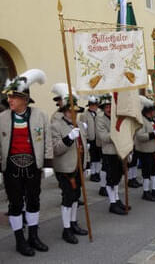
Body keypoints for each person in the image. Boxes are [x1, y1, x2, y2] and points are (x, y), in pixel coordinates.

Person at [0, 69, 52, 256]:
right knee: (15, 204)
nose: (9, 100)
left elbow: (47, 141)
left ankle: (33, 236)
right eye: (9, 97)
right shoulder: (2, 118)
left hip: (33, 166)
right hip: (11, 167)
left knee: (34, 200)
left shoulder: (40, 115)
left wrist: (47, 164)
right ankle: (19, 240)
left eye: (13, 97)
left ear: (24, 99)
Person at [51, 88, 88, 244]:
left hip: (78, 165)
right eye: (71, 111)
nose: (75, 114)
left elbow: (84, 145)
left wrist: (87, 163)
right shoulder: (56, 125)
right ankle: (66, 229)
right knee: (67, 197)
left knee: (75, 197)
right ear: (65, 111)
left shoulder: (78, 123)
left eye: (76, 112)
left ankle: (73, 223)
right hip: (65, 167)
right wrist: (69, 138)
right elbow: (55, 149)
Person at [96, 94, 129, 215]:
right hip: (109, 151)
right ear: (103, 108)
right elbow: (103, 136)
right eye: (106, 107)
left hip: (119, 151)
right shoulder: (100, 119)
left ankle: (117, 199)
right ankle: (112, 203)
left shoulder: (116, 118)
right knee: (111, 178)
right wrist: (116, 134)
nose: (109, 109)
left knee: (117, 176)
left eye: (110, 106)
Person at [134, 96, 155, 201]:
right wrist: (153, 134)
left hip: (154, 149)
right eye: (153, 110)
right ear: (148, 111)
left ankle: (154, 189)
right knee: (146, 171)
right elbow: (140, 136)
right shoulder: (141, 121)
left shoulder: (153, 120)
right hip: (145, 150)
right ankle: (146, 192)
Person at [80, 95, 102, 183]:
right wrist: (86, 139)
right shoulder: (84, 115)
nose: (95, 107)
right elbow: (83, 128)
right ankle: (93, 174)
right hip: (90, 139)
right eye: (93, 105)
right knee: (92, 157)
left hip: (98, 139)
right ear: (89, 105)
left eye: (96, 105)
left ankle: (97, 172)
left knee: (98, 157)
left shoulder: (99, 114)